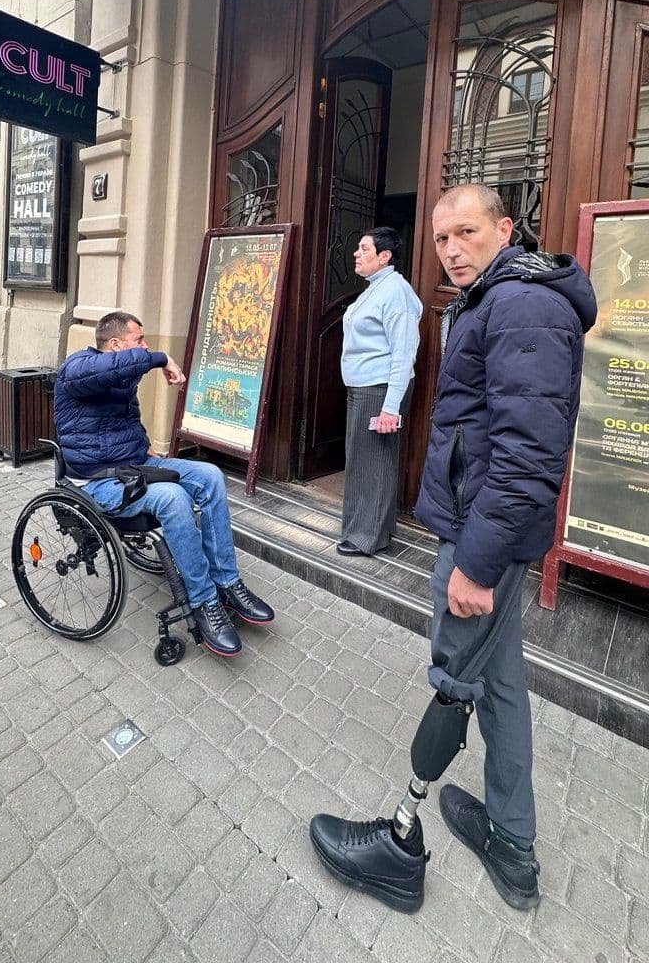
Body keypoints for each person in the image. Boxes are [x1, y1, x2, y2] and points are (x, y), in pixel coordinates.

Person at [310, 184, 596, 912]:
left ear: (505, 228)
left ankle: (400, 846)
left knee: (456, 677)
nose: (451, 249)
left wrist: (477, 561)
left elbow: (529, 456)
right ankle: (513, 844)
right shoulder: (493, 298)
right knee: (498, 684)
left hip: (480, 538)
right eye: (441, 239)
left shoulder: (523, 303)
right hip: (479, 528)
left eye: (466, 233)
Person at [53, 310, 274, 658]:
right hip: (98, 480)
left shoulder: (121, 375)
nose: (145, 345)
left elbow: (120, 419)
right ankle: (203, 602)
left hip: (136, 464)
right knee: (172, 497)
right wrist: (161, 359)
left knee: (210, 476)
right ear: (114, 345)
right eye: (138, 340)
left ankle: (227, 583)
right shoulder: (77, 367)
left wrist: (143, 445)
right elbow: (107, 370)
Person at [338, 227, 422, 556]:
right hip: (365, 388)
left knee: (373, 463)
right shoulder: (376, 288)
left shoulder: (395, 292)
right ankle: (372, 530)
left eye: (364, 249)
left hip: (380, 390)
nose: (356, 254)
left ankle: (366, 538)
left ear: (384, 256)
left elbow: (403, 353)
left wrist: (391, 407)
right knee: (365, 461)